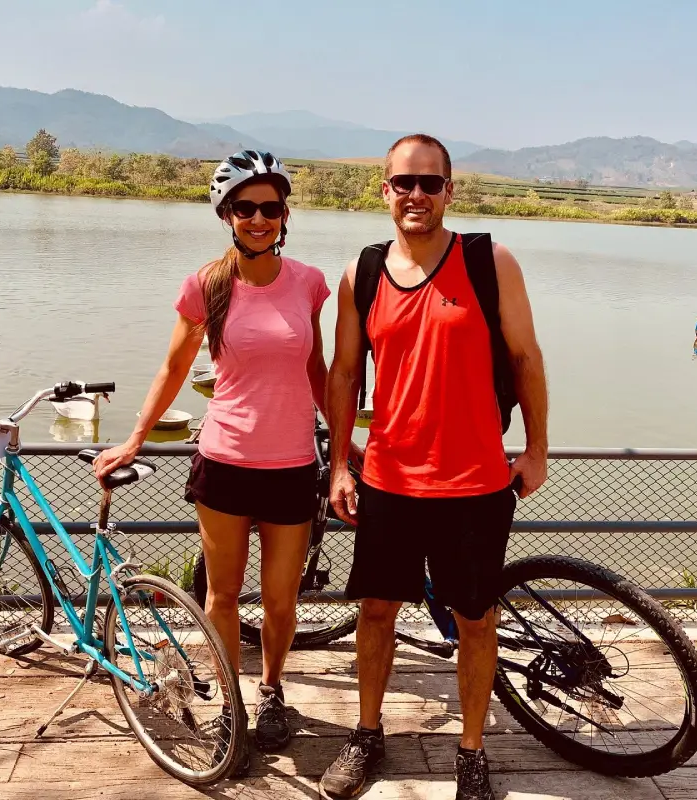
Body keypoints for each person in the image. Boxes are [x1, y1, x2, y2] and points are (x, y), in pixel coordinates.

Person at [321, 134, 548, 800]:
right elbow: (342, 374)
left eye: (429, 183)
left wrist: (535, 449)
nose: (415, 195)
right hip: (389, 478)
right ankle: (366, 735)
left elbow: (528, 359)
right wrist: (340, 464)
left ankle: (471, 751)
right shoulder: (361, 273)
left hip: (476, 482)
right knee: (377, 613)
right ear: (384, 190)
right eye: (403, 183)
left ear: (450, 191)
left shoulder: (488, 260)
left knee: (476, 620)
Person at [94, 149, 333, 774]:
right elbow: (174, 367)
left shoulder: (309, 282)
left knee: (282, 600)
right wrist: (137, 436)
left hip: (290, 464)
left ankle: (273, 690)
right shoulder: (207, 284)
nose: (260, 218)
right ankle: (232, 702)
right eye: (246, 208)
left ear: (285, 215)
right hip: (224, 460)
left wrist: (347, 448)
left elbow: (317, 368)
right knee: (222, 595)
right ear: (227, 214)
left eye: (271, 208)